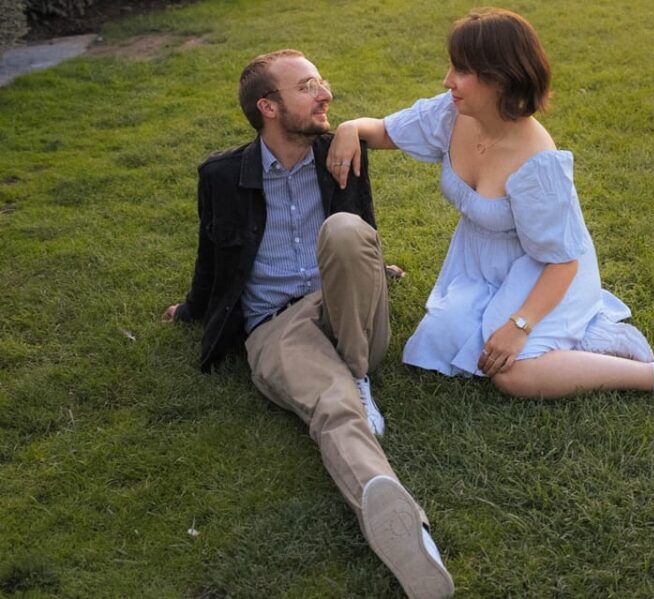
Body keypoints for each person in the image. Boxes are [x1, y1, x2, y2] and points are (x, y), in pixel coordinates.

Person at [327, 9, 654, 413]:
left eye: (462, 70)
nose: (447, 80)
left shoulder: (536, 164)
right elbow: (383, 130)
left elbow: (563, 261)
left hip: (547, 271)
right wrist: (350, 129)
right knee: (448, 336)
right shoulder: (451, 113)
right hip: (483, 266)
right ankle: (594, 341)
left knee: (512, 372)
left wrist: (519, 326)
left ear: (500, 77)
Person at [163, 49, 454, 599]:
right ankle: (402, 524)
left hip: (349, 306)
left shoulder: (340, 153)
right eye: (308, 87)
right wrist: (194, 309)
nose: (326, 94)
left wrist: (374, 270)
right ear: (268, 107)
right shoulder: (222, 176)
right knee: (334, 408)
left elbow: (359, 236)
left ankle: (359, 373)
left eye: (322, 81)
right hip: (277, 325)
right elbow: (212, 251)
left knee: (344, 229)